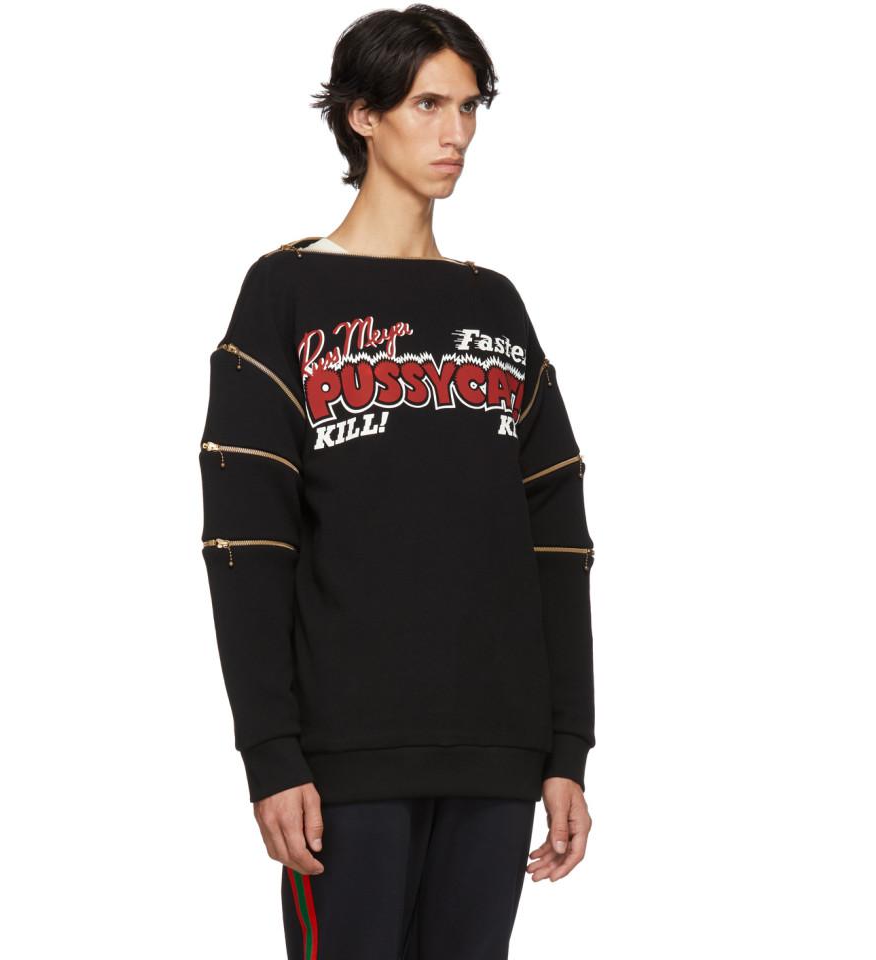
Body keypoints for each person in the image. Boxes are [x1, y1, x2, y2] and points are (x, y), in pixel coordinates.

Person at [199, 5, 596, 958]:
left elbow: (557, 535)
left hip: (496, 749)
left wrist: (566, 749)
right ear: (362, 115)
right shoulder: (287, 293)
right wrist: (271, 752)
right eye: (428, 104)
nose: (456, 133)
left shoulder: (494, 306)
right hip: (346, 755)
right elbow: (247, 540)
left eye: (469, 107)